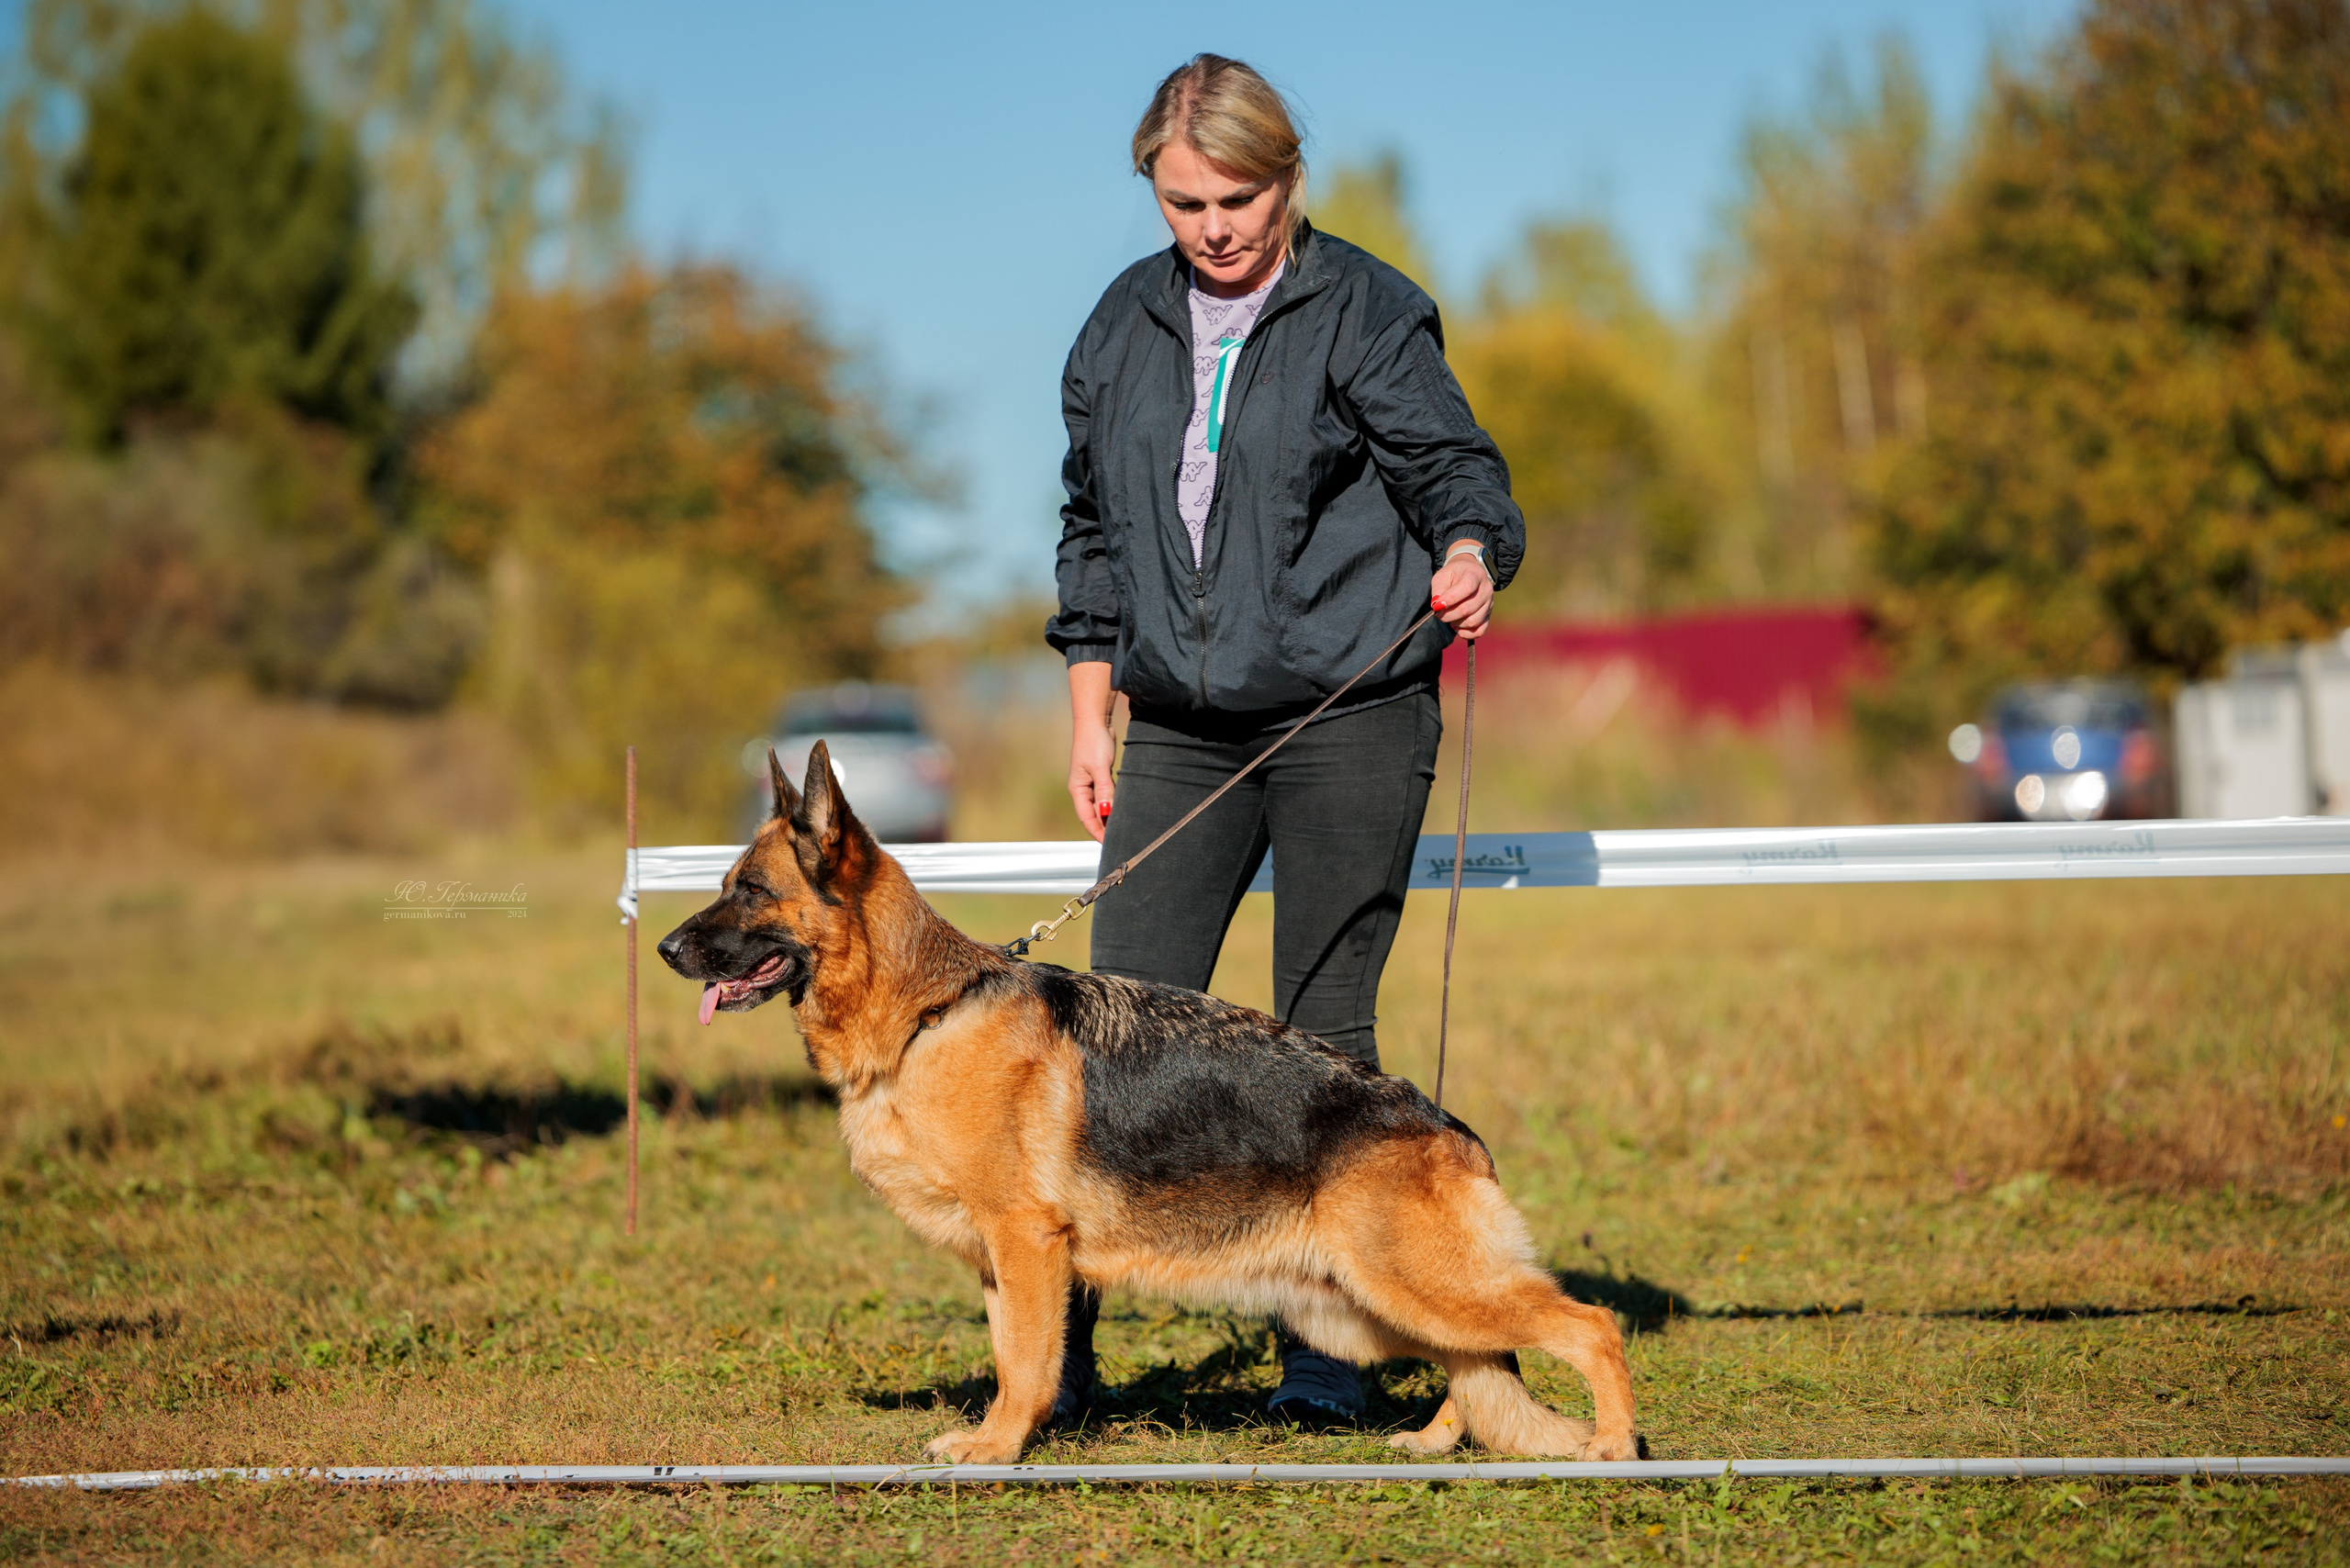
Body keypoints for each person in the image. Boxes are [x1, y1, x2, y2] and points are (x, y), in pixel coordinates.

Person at [1043, 53, 1525, 1428]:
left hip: (1347, 718)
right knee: (1106, 1048)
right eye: (1185, 201)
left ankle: (1328, 1359)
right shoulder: (1118, 326)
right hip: (1183, 734)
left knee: (1320, 1044)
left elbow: (1454, 466)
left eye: (1238, 196)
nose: (1214, 228)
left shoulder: (1363, 309)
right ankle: (1058, 1359)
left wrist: (1473, 547)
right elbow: (1090, 531)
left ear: (1287, 176)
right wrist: (1093, 710)